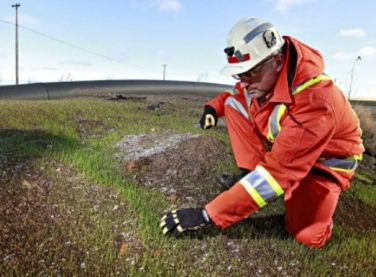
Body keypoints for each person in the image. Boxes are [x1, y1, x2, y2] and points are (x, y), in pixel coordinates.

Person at [160, 16, 364, 248]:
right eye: (239, 74)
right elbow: (234, 95)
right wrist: (213, 108)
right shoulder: (264, 78)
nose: (244, 82)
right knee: (234, 106)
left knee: (306, 236)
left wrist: (206, 214)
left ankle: (319, 213)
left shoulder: (315, 102)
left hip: (325, 163)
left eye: (249, 73)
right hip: (292, 151)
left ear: (277, 61)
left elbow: (276, 174)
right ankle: (251, 175)